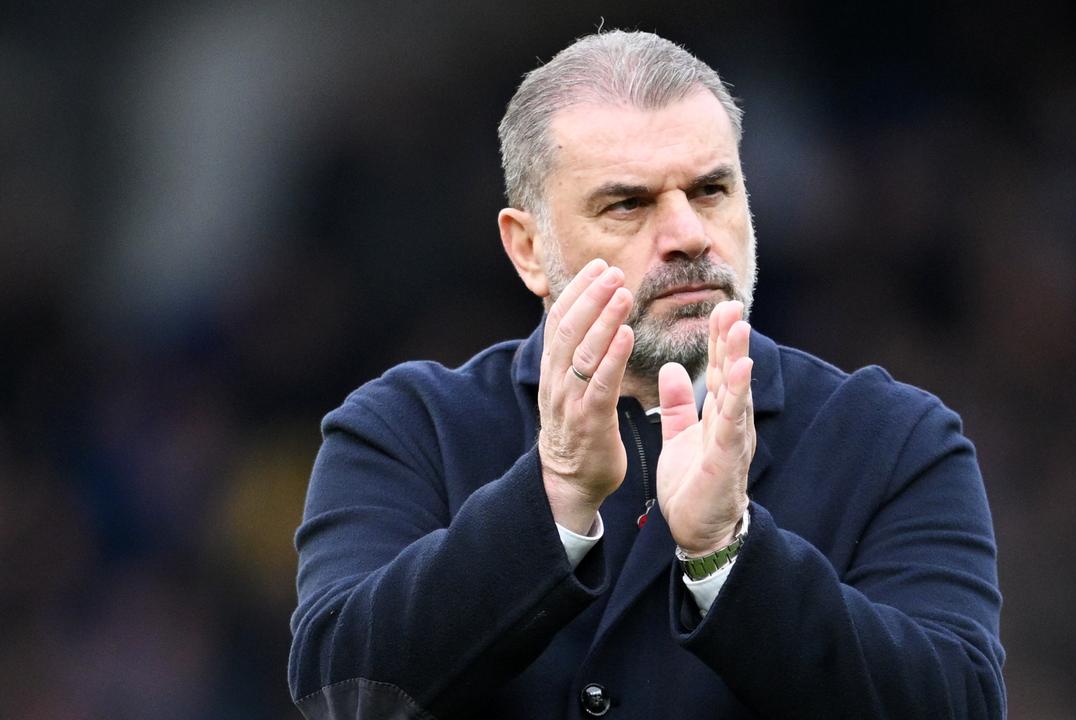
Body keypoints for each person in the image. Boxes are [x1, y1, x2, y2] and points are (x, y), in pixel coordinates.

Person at [289, 30, 1005, 719]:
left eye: (711, 191)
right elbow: (343, 695)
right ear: (529, 249)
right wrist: (555, 495)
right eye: (628, 204)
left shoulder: (894, 442)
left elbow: (958, 705)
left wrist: (728, 551)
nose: (688, 234)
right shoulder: (406, 430)